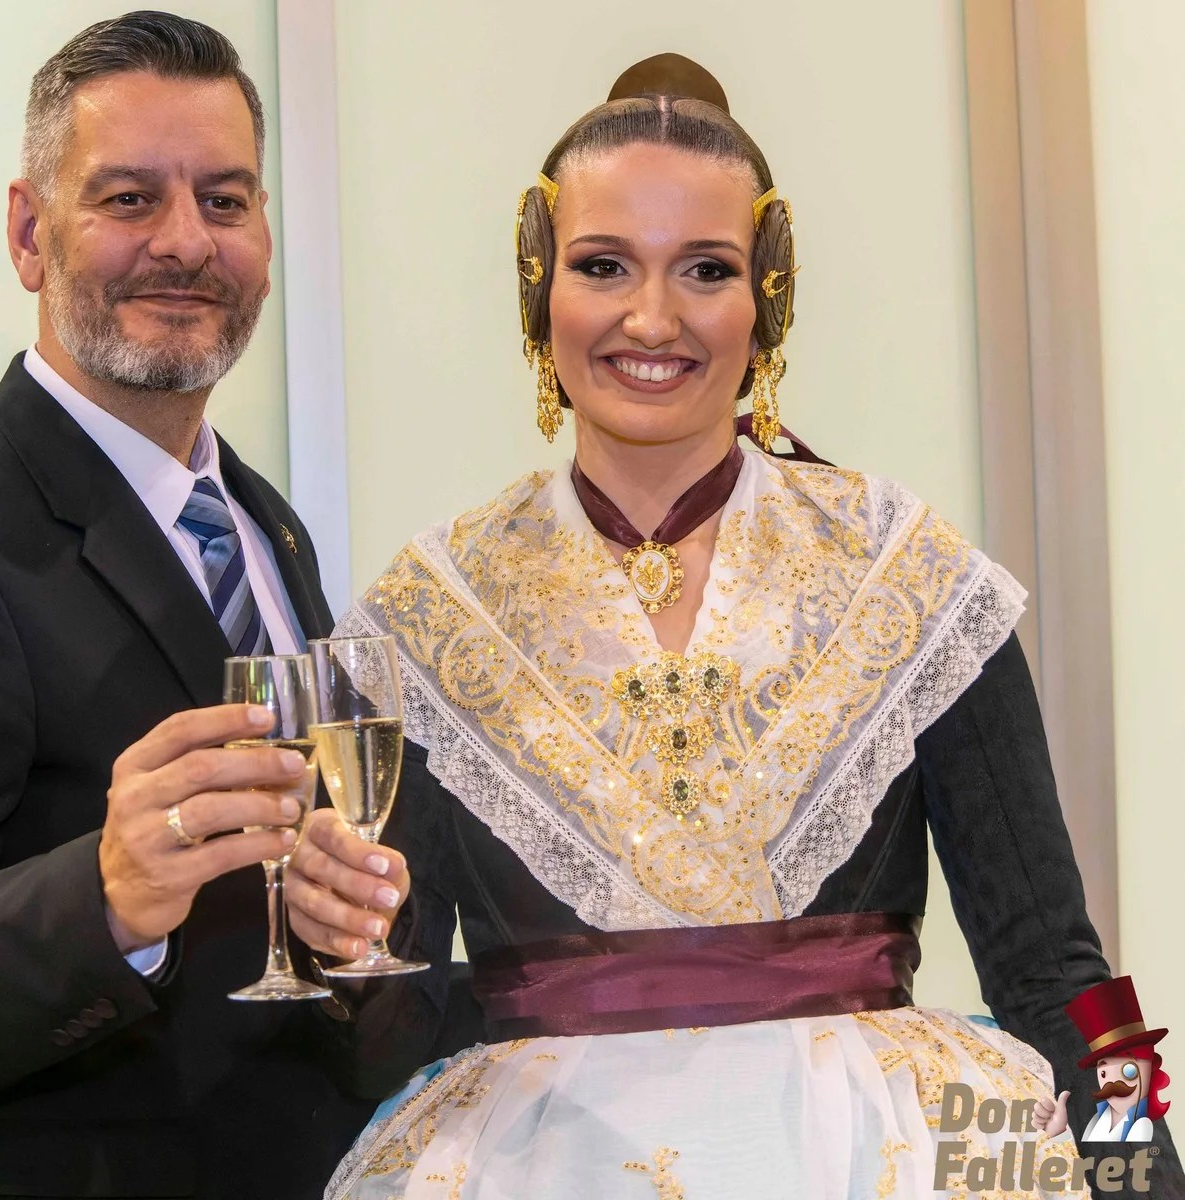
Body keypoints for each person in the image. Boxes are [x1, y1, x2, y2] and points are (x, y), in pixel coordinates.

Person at [286, 54, 1184, 1198]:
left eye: (704, 269)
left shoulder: (905, 569)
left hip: (888, 1154)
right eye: (602, 265)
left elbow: (1058, 966)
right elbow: (388, 1047)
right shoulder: (433, 611)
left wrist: (1145, 1176)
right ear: (537, 294)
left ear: (767, 298)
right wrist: (342, 948)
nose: (650, 317)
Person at [0, 13, 401, 1199]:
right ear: (28, 231)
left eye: (224, 200)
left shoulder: (265, 525)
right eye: (127, 200)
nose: (185, 243)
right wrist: (107, 896)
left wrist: (345, 919)